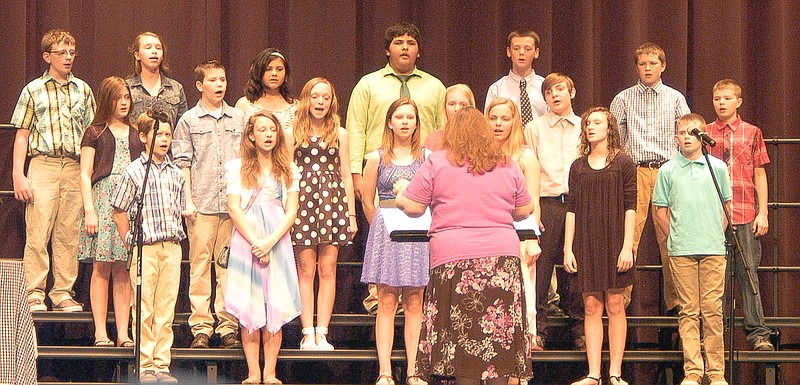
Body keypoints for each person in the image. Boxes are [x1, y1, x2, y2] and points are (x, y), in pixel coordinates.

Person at [396, 107, 534, 385]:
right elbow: (525, 208)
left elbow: (412, 206)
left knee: (459, 346)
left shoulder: (438, 162)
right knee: (499, 344)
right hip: (501, 262)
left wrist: (400, 193)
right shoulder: (506, 163)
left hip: (453, 262)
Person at [347, 21, 445, 314]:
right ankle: (381, 299)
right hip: (380, 174)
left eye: (411, 42)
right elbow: (356, 129)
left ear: (418, 50)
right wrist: (355, 173)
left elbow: (442, 133)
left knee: (417, 243)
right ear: (387, 49)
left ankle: (416, 298)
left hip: (422, 171)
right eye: (399, 42)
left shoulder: (434, 86)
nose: (405, 47)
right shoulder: (368, 84)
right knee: (383, 240)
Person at [11, 29, 96, 312]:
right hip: (43, 164)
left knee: (69, 232)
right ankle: (35, 291)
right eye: (62, 53)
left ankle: (62, 291)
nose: (68, 57)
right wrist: (18, 173)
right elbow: (22, 134)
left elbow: (90, 135)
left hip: (73, 166)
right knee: (38, 229)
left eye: (71, 52)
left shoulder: (82, 89)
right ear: (48, 56)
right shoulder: (33, 90)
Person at [609, 42, 691, 313]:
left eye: (652, 63)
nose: (647, 68)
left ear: (663, 66)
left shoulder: (675, 98)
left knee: (672, 238)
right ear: (636, 67)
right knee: (627, 238)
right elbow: (614, 139)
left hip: (668, 171)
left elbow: (686, 134)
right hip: (635, 170)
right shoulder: (623, 98)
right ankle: (619, 301)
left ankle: (678, 305)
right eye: (642, 64)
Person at [653, 113, 732, 385]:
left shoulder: (717, 167)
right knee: (689, 310)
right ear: (676, 137)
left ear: (703, 135)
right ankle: (693, 372)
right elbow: (660, 210)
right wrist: (675, 236)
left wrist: (714, 234)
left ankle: (716, 373)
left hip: (712, 248)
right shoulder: (668, 170)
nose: (687, 136)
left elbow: (726, 207)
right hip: (681, 249)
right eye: (682, 132)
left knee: (712, 310)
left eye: (692, 131)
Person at [224, 112, 302, 385]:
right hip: (247, 239)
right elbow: (234, 208)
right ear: (251, 135)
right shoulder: (237, 167)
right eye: (262, 129)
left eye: (272, 129)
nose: (268, 134)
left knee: (275, 305)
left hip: (277, 238)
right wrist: (256, 241)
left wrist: (270, 241)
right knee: (249, 304)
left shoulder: (289, 169)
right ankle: (253, 372)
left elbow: (291, 211)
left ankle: (270, 372)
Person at [173, 60, 244, 349]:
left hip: (231, 206)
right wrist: (187, 201)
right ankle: (201, 326)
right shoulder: (189, 120)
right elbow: (183, 164)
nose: (219, 85)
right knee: (200, 266)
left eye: (223, 79)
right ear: (200, 85)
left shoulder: (238, 118)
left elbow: (246, 162)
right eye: (213, 80)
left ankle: (228, 326)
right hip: (201, 205)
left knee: (228, 267)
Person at [112, 111, 187, 384]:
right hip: (146, 247)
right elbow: (119, 209)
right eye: (159, 134)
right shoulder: (134, 171)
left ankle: (161, 364)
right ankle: (144, 364)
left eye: (168, 134)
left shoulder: (176, 173)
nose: (165, 139)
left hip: (172, 246)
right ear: (144, 137)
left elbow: (178, 209)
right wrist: (129, 239)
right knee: (144, 307)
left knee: (166, 308)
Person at [563, 107, 636, 385]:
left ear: (609, 128)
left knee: (615, 304)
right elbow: (572, 209)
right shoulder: (578, 166)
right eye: (588, 123)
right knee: (591, 306)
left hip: (615, 239)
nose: (591, 127)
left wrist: (627, 246)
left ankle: (615, 372)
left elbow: (631, 206)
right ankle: (594, 373)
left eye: (597, 122)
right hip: (587, 241)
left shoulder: (623, 162)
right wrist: (568, 248)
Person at [361, 98, 430, 385]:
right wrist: (381, 227)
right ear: (389, 121)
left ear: (416, 123)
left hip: (417, 232)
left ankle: (413, 370)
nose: (404, 121)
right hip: (387, 230)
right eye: (399, 116)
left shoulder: (427, 157)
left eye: (410, 117)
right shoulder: (377, 157)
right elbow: (366, 199)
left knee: (415, 302)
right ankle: (385, 371)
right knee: (387, 301)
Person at [706, 79, 774, 351]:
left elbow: (759, 172)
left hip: (745, 212)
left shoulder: (752, 132)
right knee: (715, 277)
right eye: (716, 98)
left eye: (726, 98)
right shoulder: (705, 132)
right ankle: (714, 335)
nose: (721, 103)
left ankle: (758, 333)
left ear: (738, 102)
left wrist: (763, 212)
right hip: (713, 215)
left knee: (748, 274)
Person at [292, 78, 358, 350]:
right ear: (306, 99)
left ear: (332, 101)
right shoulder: (293, 132)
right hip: (303, 202)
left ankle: (323, 331)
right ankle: (307, 331)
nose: (320, 103)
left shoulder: (340, 133)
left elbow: (344, 173)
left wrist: (351, 215)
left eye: (326, 98)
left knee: (328, 268)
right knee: (306, 269)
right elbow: (287, 172)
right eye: (315, 97)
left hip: (332, 204)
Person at [77, 76, 143, 347]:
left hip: (129, 203)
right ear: (108, 100)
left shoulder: (137, 132)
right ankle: (100, 332)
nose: (124, 103)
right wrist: (89, 209)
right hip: (103, 201)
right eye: (118, 98)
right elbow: (84, 173)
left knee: (124, 270)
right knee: (102, 267)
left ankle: (123, 333)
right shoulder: (95, 131)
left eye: (127, 97)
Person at [523, 72, 584, 350]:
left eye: (560, 89)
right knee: (541, 269)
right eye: (548, 92)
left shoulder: (584, 126)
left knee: (576, 269)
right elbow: (529, 171)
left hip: (577, 203)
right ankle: (538, 331)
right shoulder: (534, 128)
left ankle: (580, 330)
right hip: (546, 203)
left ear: (571, 92)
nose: (554, 95)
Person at [485, 98, 542, 347]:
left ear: (514, 122)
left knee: (521, 297)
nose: (498, 124)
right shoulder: (481, 155)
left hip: (519, 237)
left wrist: (532, 238)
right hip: (487, 236)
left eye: (504, 119)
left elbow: (534, 200)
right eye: (493, 118)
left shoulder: (525, 156)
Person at [235, 48, 296, 148]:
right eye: (268, 69)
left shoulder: (295, 106)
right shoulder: (244, 104)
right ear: (259, 72)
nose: (274, 74)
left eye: (279, 69)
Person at [485, 29, 547, 126]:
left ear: (536, 52)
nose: (521, 53)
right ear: (509, 51)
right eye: (516, 48)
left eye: (527, 49)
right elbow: (488, 124)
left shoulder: (546, 87)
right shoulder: (497, 89)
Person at [126, 32, 187, 127]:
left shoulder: (176, 88)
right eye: (148, 47)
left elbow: (182, 127)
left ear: (162, 55)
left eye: (158, 48)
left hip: (167, 141)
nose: (154, 51)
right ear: (137, 55)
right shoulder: (127, 87)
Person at [424, 84, 475, 152]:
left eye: (463, 104)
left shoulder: (479, 138)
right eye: (452, 104)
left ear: (471, 107)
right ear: (444, 106)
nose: (457, 109)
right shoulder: (433, 138)